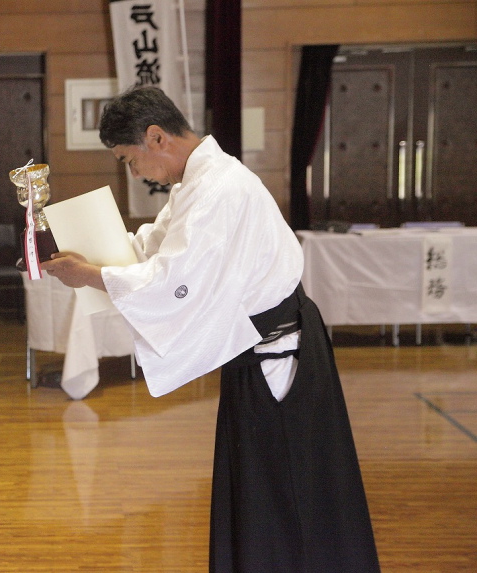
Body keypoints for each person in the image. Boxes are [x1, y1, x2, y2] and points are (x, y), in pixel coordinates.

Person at [41, 86, 380, 572]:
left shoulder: (220, 187)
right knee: (262, 486)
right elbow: (153, 249)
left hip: (277, 358)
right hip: (255, 351)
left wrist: (93, 276)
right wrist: (83, 256)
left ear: (156, 137)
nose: (133, 173)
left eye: (129, 160)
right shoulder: (196, 182)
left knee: (285, 487)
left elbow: (174, 280)